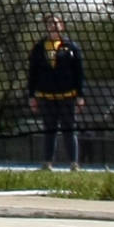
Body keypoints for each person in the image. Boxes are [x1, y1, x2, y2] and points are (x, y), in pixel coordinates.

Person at [28, 13, 86, 171]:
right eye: (49, 23)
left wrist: (80, 96)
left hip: (67, 96)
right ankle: (47, 163)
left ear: (62, 25)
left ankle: (74, 164)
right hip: (46, 96)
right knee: (49, 129)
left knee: (69, 129)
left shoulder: (71, 47)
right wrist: (32, 96)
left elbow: (79, 73)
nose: (53, 26)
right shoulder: (39, 48)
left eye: (56, 23)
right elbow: (32, 72)